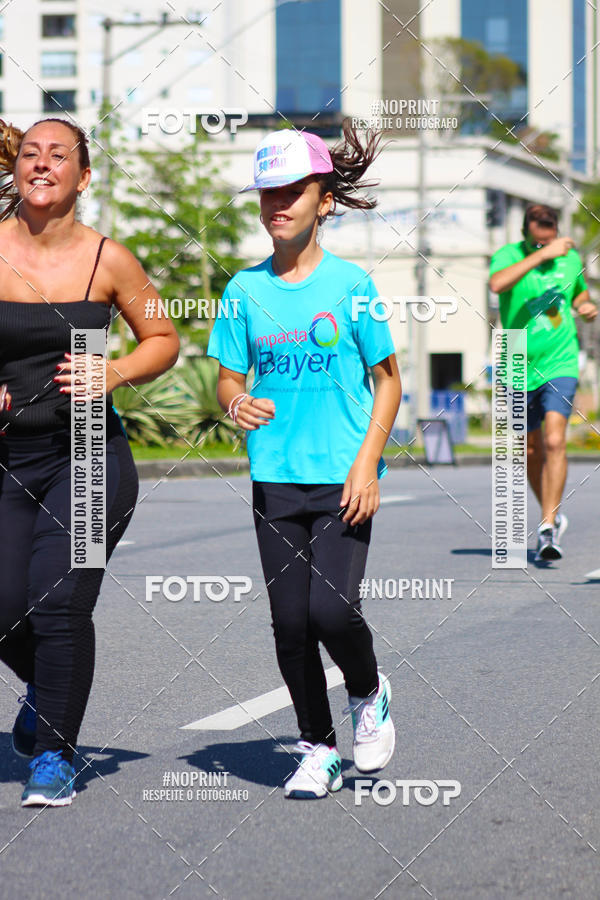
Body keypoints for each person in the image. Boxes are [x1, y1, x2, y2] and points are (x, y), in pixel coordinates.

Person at [208, 125, 402, 799]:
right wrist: (236, 406)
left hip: (344, 476)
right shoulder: (242, 290)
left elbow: (389, 379)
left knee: (330, 611)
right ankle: (316, 748)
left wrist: (368, 464)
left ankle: (370, 691)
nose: (278, 205)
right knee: (289, 622)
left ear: (325, 202)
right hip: (275, 480)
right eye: (268, 194)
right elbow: (229, 379)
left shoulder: (353, 286)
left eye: (294, 191)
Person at [0, 117, 179, 806]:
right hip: (9, 456)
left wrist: (116, 373)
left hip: (88, 456)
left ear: (84, 176)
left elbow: (161, 338)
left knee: (59, 603)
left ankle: (54, 754)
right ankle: (51, 685)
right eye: (30, 154)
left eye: (59, 156)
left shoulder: (111, 259)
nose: (41, 164)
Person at [489, 203, 597, 562]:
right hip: (516, 356)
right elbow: (497, 284)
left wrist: (585, 304)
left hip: (560, 358)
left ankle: (548, 525)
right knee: (530, 450)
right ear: (526, 231)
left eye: (551, 230)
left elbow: (579, 292)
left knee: (554, 440)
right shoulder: (507, 255)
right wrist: (541, 256)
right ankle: (550, 514)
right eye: (539, 234)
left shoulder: (569, 260)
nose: (547, 239)